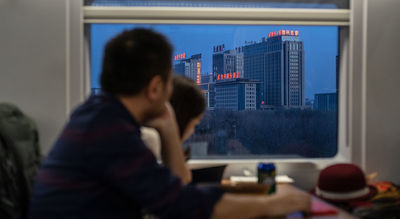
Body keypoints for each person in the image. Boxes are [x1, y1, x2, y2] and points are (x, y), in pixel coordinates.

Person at [28, 28, 311, 219]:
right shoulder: (110, 131)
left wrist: (168, 126)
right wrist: (271, 204)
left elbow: (170, 191)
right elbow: (176, 203)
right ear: (154, 88)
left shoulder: (99, 116)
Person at [141, 75, 205, 164]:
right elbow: (182, 176)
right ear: (183, 119)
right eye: (194, 124)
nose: (192, 131)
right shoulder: (149, 141)